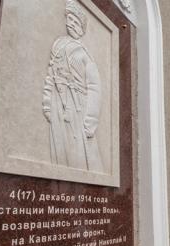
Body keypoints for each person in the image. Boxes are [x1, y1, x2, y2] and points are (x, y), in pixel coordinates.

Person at [42, 0, 103, 172]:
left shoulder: (83, 54)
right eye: (70, 19)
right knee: (60, 152)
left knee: (80, 155)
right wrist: (47, 104)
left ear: (82, 28)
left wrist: (90, 122)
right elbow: (50, 75)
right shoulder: (57, 45)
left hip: (78, 107)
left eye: (77, 22)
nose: (72, 24)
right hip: (57, 104)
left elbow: (95, 87)